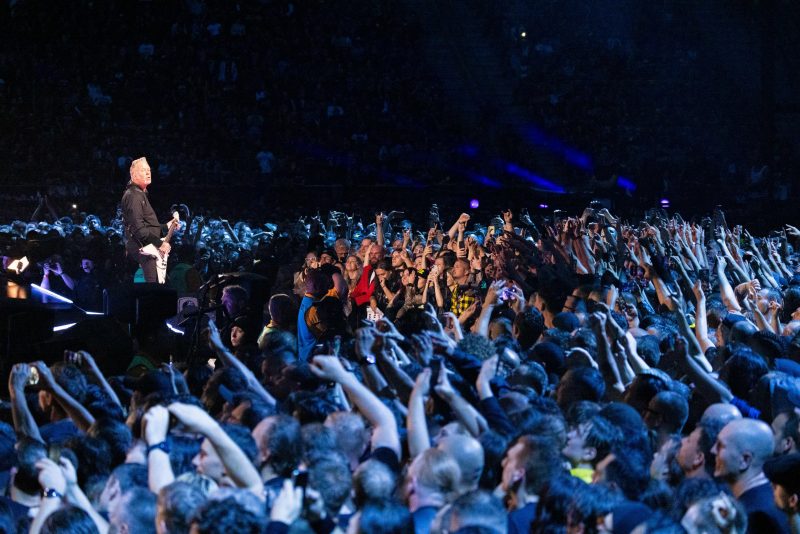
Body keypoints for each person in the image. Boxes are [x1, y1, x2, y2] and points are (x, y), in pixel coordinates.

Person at [121, 157, 175, 283]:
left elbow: (148, 226)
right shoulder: (134, 195)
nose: (148, 173)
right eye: (143, 170)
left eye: (149, 170)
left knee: (157, 287)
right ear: (133, 174)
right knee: (153, 289)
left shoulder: (140, 194)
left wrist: (166, 226)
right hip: (143, 249)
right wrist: (160, 244)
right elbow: (138, 228)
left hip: (147, 248)